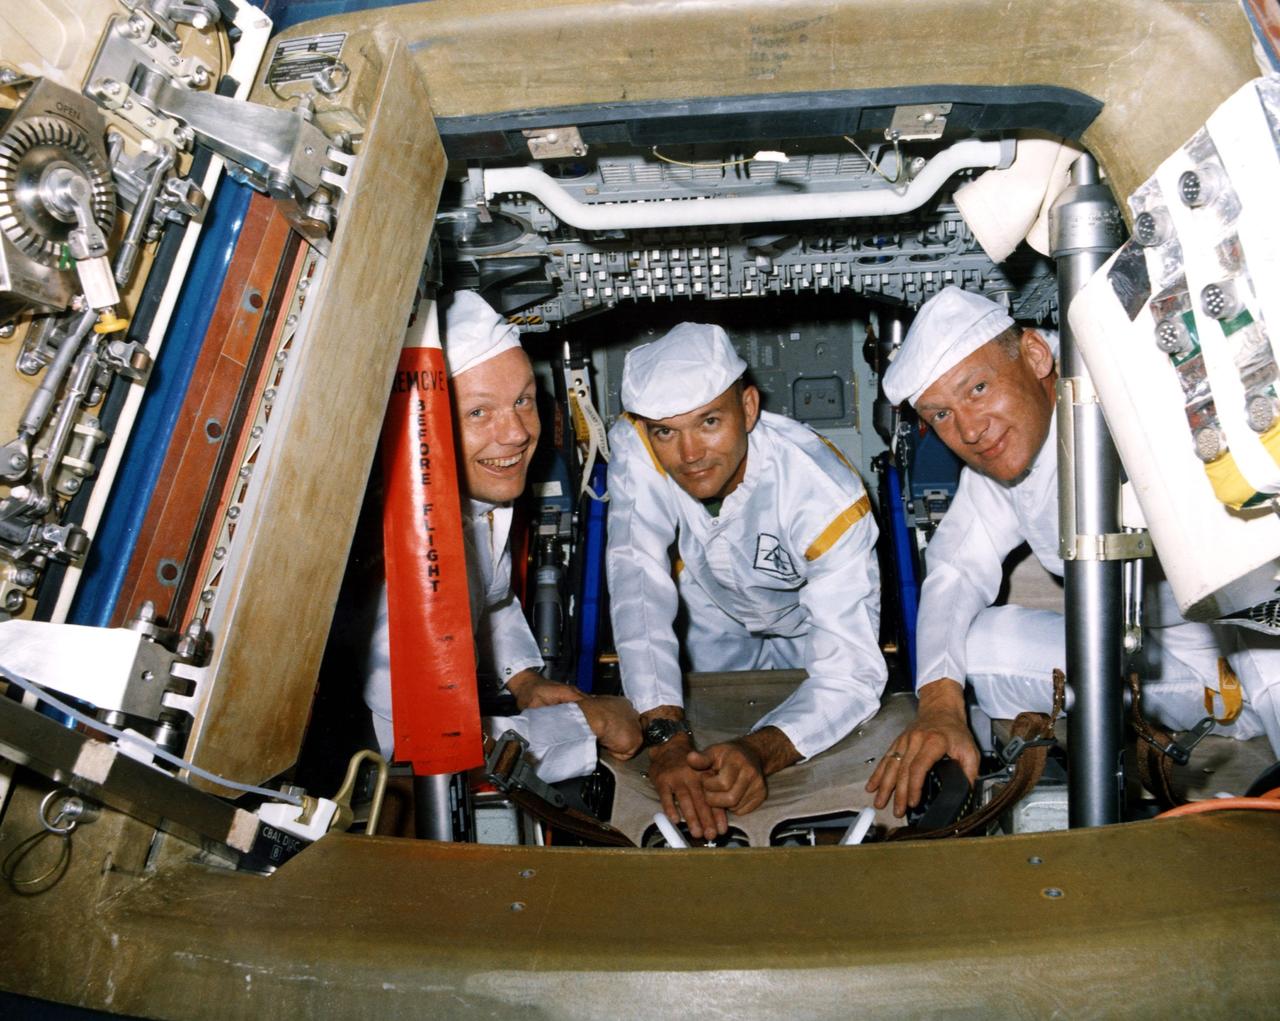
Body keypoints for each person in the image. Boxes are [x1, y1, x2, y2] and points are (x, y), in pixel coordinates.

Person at [866, 285, 1280, 818]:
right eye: (941, 415)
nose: (969, 429)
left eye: (978, 389)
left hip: (1262, 625)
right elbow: (954, 570)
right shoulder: (1002, 456)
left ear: (1037, 355)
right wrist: (940, 705)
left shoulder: (1130, 386)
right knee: (982, 644)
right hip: (1172, 656)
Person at [607, 322, 887, 839]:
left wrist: (762, 750)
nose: (689, 454)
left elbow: (850, 673)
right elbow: (637, 581)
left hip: (807, 622)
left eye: (709, 422)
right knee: (701, 768)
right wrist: (666, 741)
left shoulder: (823, 494)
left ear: (750, 408)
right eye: (667, 431)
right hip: (705, 607)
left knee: (812, 747)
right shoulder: (638, 443)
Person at [362, 290, 641, 782]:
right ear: (420, 427)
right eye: (479, 413)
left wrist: (523, 678)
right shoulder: (396, 559)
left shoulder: (481, 499)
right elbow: (415, 747)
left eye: (522, 402)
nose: (515, 433)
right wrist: (587, 723)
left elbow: (491, 597)